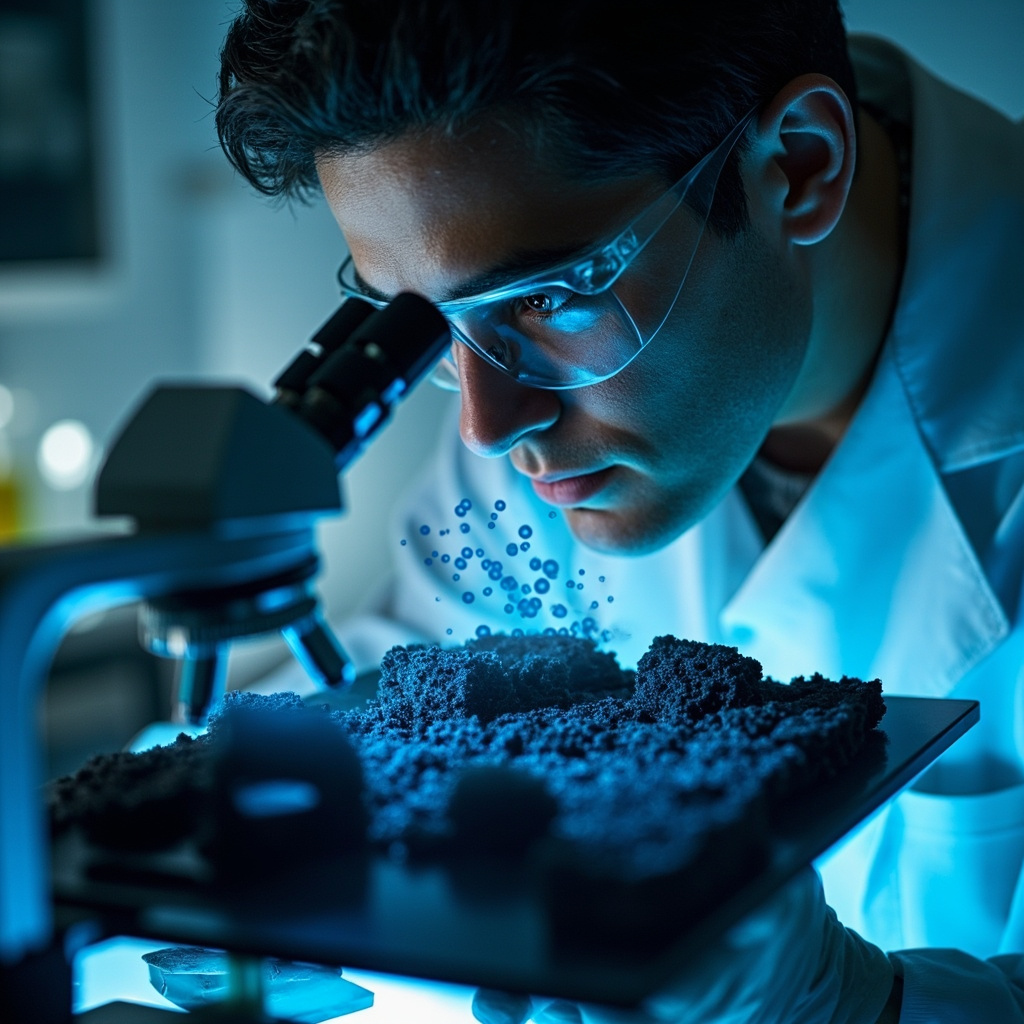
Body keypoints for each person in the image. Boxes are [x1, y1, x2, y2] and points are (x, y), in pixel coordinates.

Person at [215, 1, 1024, 1020]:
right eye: (425, 326)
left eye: (546, 298)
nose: (485, 425)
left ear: (800, 168)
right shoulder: (528, 406)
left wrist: (849, 1005)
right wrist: (239, 850)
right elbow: (405, 674)